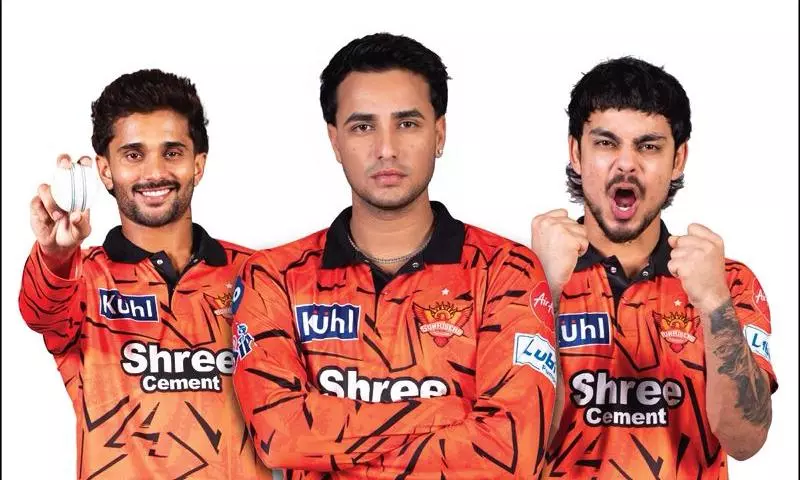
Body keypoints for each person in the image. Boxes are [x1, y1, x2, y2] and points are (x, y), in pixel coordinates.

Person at [231, 33, 558, 479]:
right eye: (363, 127)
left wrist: (327, 430)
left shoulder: (508, 270)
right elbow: (280, 437)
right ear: (334, 141)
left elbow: (510, 450)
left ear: (439, 134)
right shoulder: (273, 277)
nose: (386, 148)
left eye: (407, 123)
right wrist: (449, 411)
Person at [19, 69, 272, 479]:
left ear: (198, 165)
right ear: (105, 171)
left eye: (172, 152)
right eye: (133, 155)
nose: (154, 172)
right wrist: (55, 255)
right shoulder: (83, 279)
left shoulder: (260, 275)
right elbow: (41, 312)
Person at [531, 56, 776, 479]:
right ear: (576, 153)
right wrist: (546, 291)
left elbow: (746, 441)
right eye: (606, 143)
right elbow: (515, 443)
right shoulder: (515, 278)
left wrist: (715, 304)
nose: (626, 164)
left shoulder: (730, 282)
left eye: (648, 146)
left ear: (678, 159)